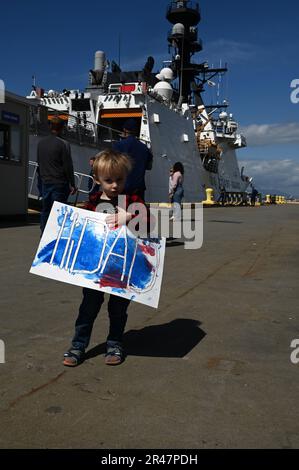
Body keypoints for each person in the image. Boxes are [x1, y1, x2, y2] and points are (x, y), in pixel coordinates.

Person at [63, 149, 149, 367]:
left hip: (122, 268)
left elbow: (150, 219)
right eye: (108, 180)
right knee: (88, 307)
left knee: (118, 309)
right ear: (97, 180)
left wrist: (129, 215)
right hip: (96, 268)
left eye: (119, 180)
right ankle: (78, 345)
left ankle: (114, 343)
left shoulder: (132, 200)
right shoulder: (91, 202)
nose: (114, 185)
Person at [37, 117, 76, 232]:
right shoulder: (64, 144)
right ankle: (55, 233)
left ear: (50, 127)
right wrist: (72, 184)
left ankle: (44, 232)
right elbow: (67, 166)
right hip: (59, 182)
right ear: (62, 128)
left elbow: (39, 163)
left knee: (45, 209)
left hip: (45, 181)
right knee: (59, 210)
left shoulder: (41, 143)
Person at [113, 118, 153, 200]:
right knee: (139, 212)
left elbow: (113, 166)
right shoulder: (145, 148)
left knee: (122, 211)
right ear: (135, 131)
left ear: (124, 129)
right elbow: (149, 167)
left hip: (122, 188)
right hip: (139, 189)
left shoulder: (118, 145)